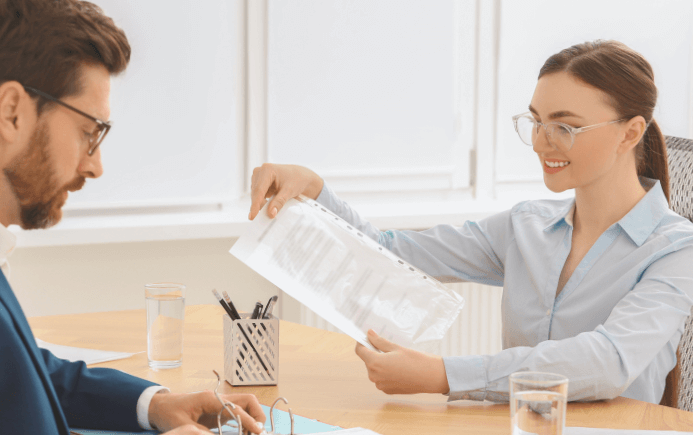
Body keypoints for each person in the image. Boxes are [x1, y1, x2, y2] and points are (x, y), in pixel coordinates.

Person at [0, 0, 269, 435]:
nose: (95, 165)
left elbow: (3, 369)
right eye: (91, 131)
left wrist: (153, 403)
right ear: (12, 111)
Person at [249, 40, 693, 406]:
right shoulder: (526, 227)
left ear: (630, 132)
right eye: (536, 122)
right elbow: (393, 252)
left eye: (565, 127)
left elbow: (608, 362)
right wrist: (316, 192)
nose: (542, 143)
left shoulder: (675, 250)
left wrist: (444, 375)